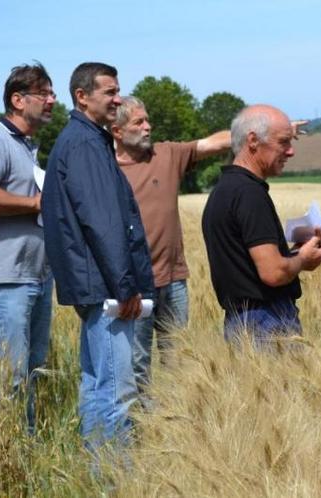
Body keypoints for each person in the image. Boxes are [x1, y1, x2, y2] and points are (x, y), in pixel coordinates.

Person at [41, 63, 154, 450]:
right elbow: (103, 224)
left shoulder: (80, 140)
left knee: (95, 385)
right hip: (107, 289)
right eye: (110, 92)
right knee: (116, 393)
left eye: (118, 91)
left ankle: (94, 475)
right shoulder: (87, 144)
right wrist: (125, 288)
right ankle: (111, 480)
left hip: (93, 286)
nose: (118, 99)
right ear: (82, 96)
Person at [110, 96, 230, 388]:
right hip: (134, 286)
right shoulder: (106, 171)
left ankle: (173, 427)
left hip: (174, 281)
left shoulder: (165, 154)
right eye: (139, 122)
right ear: (117, 131)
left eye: (148, 119)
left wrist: (268, 130)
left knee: (177, 360)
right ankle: (141, 428)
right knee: (137, 365)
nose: (148, 127)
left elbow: (213, 143)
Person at [0, 62, 56, 434]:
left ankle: (26, 447)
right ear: (18, 100)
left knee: (31, 369)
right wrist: (37, 204)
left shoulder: (29, 148)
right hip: (5, 279)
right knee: (11, 375)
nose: (52, 100)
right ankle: (8, 455)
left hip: (36, 276)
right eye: (44, 94)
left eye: (52, 94)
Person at [201, 104, 321, 346]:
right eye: (283, 142)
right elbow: (273, 273)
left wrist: (293, 253)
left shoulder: (224, 189)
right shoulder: (249, 194)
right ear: (253, 141)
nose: (290, 152)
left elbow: (247, 265)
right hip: (266, 323)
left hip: (242, 322)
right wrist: (303, 259)